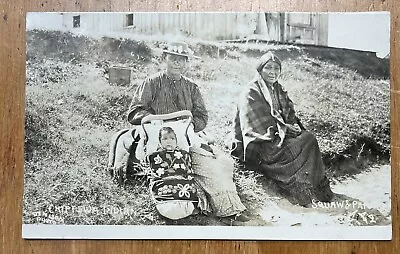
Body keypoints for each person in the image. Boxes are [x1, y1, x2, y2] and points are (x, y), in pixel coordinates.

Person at [110, 41, 249, 224]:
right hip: (157, 136)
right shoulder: (151, 83)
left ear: (187, 63)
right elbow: (135, 112)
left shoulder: (191, 87)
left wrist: (188, 126)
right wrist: (158, 121)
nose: (177, 64)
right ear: (164, 59)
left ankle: (228, 209)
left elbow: (201, 116)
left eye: (181, 60)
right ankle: (179, 204)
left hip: (184, 136)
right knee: (168, 167)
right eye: (173, 59)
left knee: (213, 165)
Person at [232, 51, 334, 206]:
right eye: (268, 68)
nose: (273, 72)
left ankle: (312, 188)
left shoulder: (279, 90)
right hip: (262, 144)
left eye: (276, 69)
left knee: (308, 138)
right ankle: (298, 189)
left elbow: (289, 115)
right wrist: (284, 129)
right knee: (305, 141)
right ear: (260, 70)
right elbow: (253, 125)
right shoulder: (251, 92)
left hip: (279, 136)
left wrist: (292, 127)